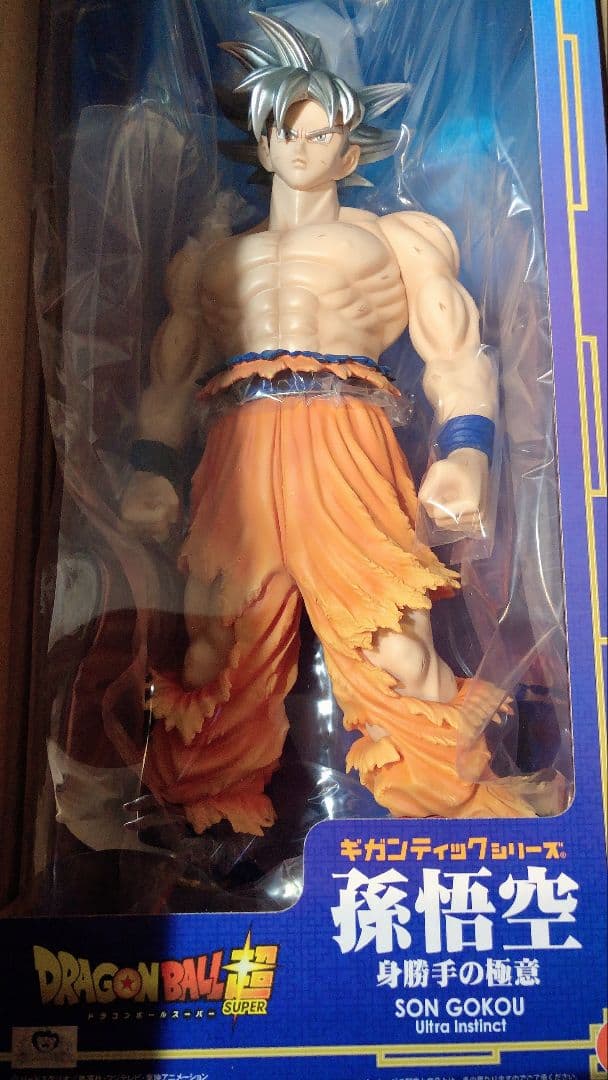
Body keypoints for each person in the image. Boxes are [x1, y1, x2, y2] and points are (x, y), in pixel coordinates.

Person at [121, 13, 560, 834]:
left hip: (346, 439)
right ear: (261, 142)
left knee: (397, 645)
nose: (300, 146)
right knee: (215, 648)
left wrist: (467, 451)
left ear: (350, 152)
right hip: (238, 448)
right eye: (284, 129)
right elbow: (172, 377)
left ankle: (457, 809)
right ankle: (203, 827)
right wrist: (151, 467)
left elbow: (456, 352)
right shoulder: (208, 261)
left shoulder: (396, 240)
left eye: (320, 131)